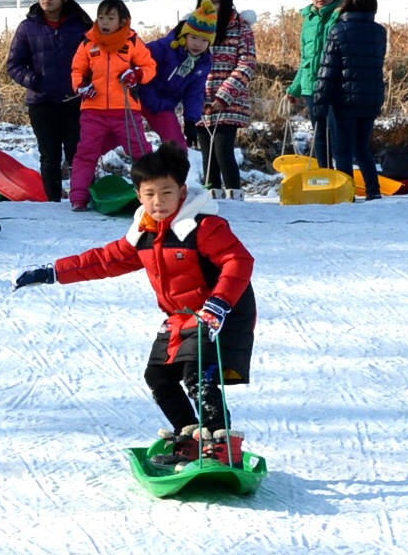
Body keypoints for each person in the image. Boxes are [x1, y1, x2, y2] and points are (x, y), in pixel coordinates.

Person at [14, 142, 256, 467]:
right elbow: (103, 260)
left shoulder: (204, 227)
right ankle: (189, 438)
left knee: (198, 375)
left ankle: (222, 444)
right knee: (158, 376)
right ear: (139, 195)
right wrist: (53, 272)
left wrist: (218, 304)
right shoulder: (143, 233)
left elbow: (238, 261)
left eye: (167, 192)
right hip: (181, 316)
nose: (159, 202)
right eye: (149, 193)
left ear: (182, 191)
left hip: (221, 312)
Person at [5, 0, 91, 201]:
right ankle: (52, 201)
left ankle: (82, 197)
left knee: (78, 154)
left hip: (75, 101)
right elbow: (13, 64)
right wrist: (33, 80)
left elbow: (97, 59)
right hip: (42, 102)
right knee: (49, 156)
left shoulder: (81, 25)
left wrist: (88, 83)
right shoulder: (28, 27)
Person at [66, 0, 158, 211]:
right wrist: (80, 86)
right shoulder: (88, 43)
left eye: (110, 18)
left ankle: (152, 193)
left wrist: (137, 74)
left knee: (141, 152)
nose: (104, 22)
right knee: (86, 153)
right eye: (101, 17)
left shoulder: (133, 42)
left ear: (122, 21)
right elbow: (77, 70)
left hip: (126, 111)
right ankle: (78, 197)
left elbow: (149, 67)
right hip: (93, 111)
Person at [315, 0, 386, 200]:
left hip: (344, 100)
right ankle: (373, 190)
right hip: (371, 98)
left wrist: (319, 101)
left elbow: (329, 70)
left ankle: (347, 192)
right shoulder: (379, 32)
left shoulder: (338, 30)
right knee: (363, 148)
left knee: (342, 149)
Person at [192, 0, 257, 199]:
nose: (210, 6)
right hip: (200, 101)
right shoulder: (194, 28)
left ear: (226, 3)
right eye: (206, 2)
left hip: (229, 101)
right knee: (207, 154)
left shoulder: (241, 29)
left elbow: (247, 64)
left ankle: (235, 196)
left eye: (216, 2)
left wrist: (224, 95)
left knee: (222, 149)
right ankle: (212, 199)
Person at [288, 0, 343, 163]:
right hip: (311, 86)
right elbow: (306, 59)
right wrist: (295, 88)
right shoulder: (308, 20)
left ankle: (343, 178)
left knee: (337, 135)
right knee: (320, 134)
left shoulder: (341, 15)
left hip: (335, 85)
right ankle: (324, 176)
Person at [141, 9, 211, 151]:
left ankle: (171, 173)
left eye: (204, 40)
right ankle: (86, 162)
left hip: (164, 106)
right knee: (122, 135)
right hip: (140, 98)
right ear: (185, 36)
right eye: (194, 38)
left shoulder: (203, 63)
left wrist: (190, 121)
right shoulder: (165, 47)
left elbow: (194, 93)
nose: (198, 44)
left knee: (178, 149)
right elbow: (140, 58)